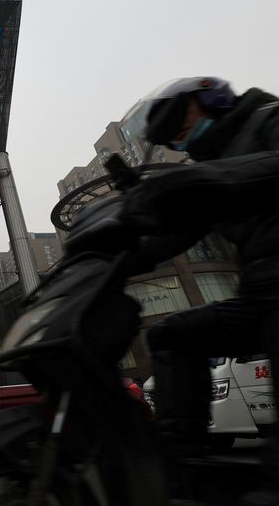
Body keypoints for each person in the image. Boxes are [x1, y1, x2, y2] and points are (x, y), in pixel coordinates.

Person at [120, 76, 279, 502]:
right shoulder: (211, 170)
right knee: (170, 334)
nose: (177, 136)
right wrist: (115, 257)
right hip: (261, 298)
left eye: (178, 120)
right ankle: (181, 469)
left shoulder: (268, 117)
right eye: (169, 135)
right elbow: (177, 233)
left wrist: (201, 179)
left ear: (211, 97)